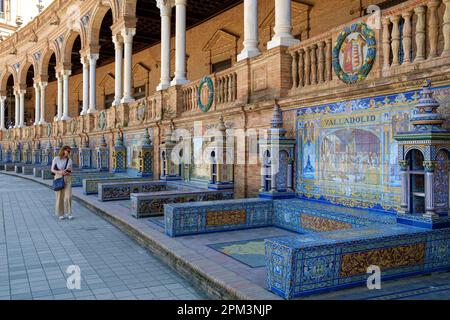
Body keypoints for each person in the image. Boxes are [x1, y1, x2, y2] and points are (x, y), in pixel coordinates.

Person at [51, 145, 74, 220]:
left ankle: (69, 213)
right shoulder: (56, 159)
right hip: (58, 178)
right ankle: (61, 213)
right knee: (59, 197)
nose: (69, 153)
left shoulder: (69, 160)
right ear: (63, 150)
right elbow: (52, 170)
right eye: (68, 151)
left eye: (70, 151)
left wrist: (68, 171)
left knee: (68, 196)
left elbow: (71, 170)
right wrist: (60, 172)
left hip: (67, 178)